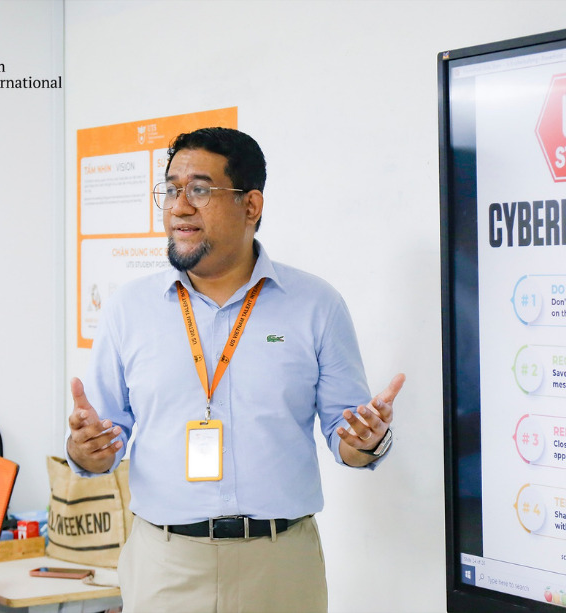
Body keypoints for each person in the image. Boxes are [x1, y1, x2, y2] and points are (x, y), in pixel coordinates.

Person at [67, 126, 404, 613]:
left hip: (281, 564)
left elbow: (347, 437)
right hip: (165, 564)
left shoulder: (317, 305)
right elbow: (101, 443)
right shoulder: (129, 309)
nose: (180, 207)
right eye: (171, 190)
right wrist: (85, 449)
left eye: (200, 190)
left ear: (251, 206)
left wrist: (367, 440)